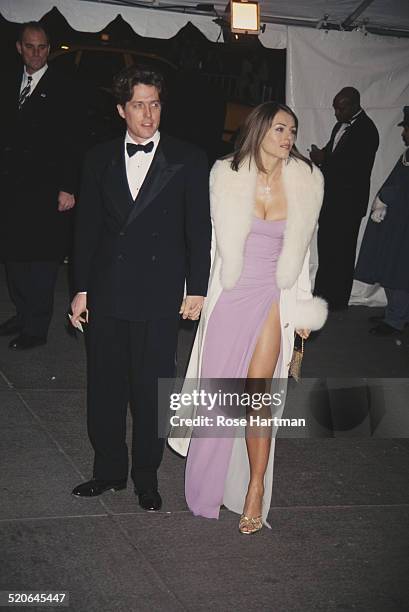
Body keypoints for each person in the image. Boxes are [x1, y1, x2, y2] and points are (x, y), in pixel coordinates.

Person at [168, 102, 327, 534]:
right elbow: (209, 242)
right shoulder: (227, 174)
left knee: (258, 397)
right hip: (230, 294)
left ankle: (255, 488)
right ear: (259, 130)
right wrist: (195, 291)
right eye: (279, 129)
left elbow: (305, 252)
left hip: (273, 297)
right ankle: (206, 488)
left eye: (292, 130)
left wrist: (305, 306)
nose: (288, 137)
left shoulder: (307, 180)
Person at [70, 65, 211, 512]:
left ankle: (146, 476)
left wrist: (198, 286)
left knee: (151, 390)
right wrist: (81, 289)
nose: (148, 115)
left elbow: (198, 230)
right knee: (106, 386)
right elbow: (86, 230)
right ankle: (108, 471)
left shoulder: (188, 158)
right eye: (138, 105)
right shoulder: (98, 158)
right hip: (108, 290)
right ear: (121, 110)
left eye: (154, 104)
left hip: (159, 290)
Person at [0, 21, 81, 349]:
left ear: (50, 49)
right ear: (19, 47)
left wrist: (68, 186)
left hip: (48, 189)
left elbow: (74, 140)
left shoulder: (65, 86)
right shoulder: (8, 80)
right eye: (30, 46)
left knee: (42, 260)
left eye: (42, 47)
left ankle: (36, 327)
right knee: (15, 257)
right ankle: (22, 313)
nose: (36, 53)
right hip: (12, 188)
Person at [310, 87, 379, 310]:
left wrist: (324, 159)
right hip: (331, 201)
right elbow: (334, 153)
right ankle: (321, 295)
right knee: (328, 249)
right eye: (335, 108)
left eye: (340, 108)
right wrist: (321, 154)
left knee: (343, 253)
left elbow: (353, 168)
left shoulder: (367, 130)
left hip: (348, 205)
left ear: (353, 105)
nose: (336, 113)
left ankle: (337, 301)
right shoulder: (340, 125)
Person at [355, 106, 409, 336]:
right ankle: (395, 313)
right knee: (390, 268)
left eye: (406, 128)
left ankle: (396, 319)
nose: (403, 132)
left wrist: (386, 197)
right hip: (396, 222)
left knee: (400, 272)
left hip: (404, 226)